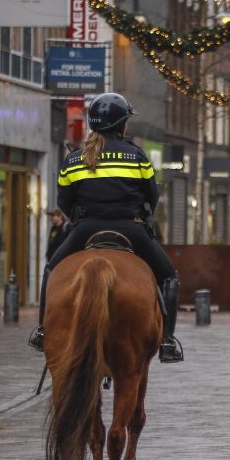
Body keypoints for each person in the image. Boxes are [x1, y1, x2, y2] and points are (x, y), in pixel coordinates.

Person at [27, 92, 183, 363]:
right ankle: (168, 340)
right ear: (121, 125)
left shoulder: (74, 159)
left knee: (52, 269)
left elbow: (64, 201)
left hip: (87, 228)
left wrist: (81, 219)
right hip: (131, 228)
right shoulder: (137, 156)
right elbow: (152, 197)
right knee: (169, 276)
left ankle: (42, 330)